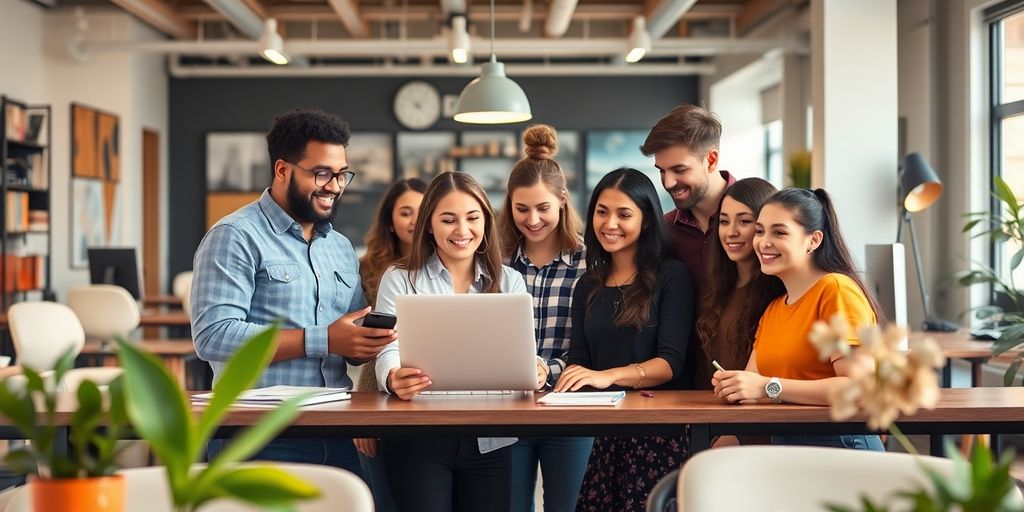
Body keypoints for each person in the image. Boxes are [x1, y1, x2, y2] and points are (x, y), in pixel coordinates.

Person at [191, 109, 397, 476]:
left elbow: (348, 343)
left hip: (336, 431)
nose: (334, 186)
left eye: (341, 175)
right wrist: (324, 339)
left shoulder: (339, 247)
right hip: (257, 433)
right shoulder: (235, 236)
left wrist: (371, 338)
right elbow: (213, 336)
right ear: (283, 170)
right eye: (321, 173)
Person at [373, 172, 529, 512]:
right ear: (429, 225)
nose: (462, 230)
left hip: (491, 439)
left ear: (486, 222)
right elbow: (388, 348)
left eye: (472, 218)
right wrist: (391, 377)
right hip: (418, 437)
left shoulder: (510, 281)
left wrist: (537, 367)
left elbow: (520, 353)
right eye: (448, 219)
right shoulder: (400, 278)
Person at [554, 168, 694, 511]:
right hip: (606, 434)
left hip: (658, 435)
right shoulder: (588, 284)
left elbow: (669, 364)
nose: (609, 223)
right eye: (602, 212)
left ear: (646, 220)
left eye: (624, 214)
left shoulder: (671, 275)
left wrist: (608, 376)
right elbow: (578, 359)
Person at [711, 188, 886, 451]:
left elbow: (859, 390)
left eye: (779, 232)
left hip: (842, 447)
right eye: (759, 231)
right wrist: (735, 387)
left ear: (813, 240)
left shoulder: (835, 290)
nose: (763, 242)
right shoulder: (773, 310)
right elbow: (753, 384)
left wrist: (768, 387)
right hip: (790, 448)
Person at [497, 124, 592, 512]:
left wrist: (548, 371)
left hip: (570, 410)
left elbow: (593, 343)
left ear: (563, 201)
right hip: (506, 411)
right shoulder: (494, 264)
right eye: (522, 208)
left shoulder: (590, 265)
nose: (532, 219)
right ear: (509, 204)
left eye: (543, 208)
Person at [354, 177, 427, 512]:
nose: (415, 220)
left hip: (430, 394)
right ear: (389, 221)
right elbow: (364, 348)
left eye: (422, 210)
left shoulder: (451, 266)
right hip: (378, 390)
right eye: (405, 212)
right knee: (386, 497)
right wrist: (364, 416)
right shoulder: (368, 269)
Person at [693, 178, 784, 390]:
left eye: (744, 221)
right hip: (711, 412)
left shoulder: (782, 290)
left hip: (765, 413)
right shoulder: (715, 287)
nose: (731, 232)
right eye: (724, 222)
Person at [640, 103, 735, 286]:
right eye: (662, 171)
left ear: (711, 161)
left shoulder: (760, 214)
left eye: (679, 169)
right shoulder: (664, 231)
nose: (668, 182)